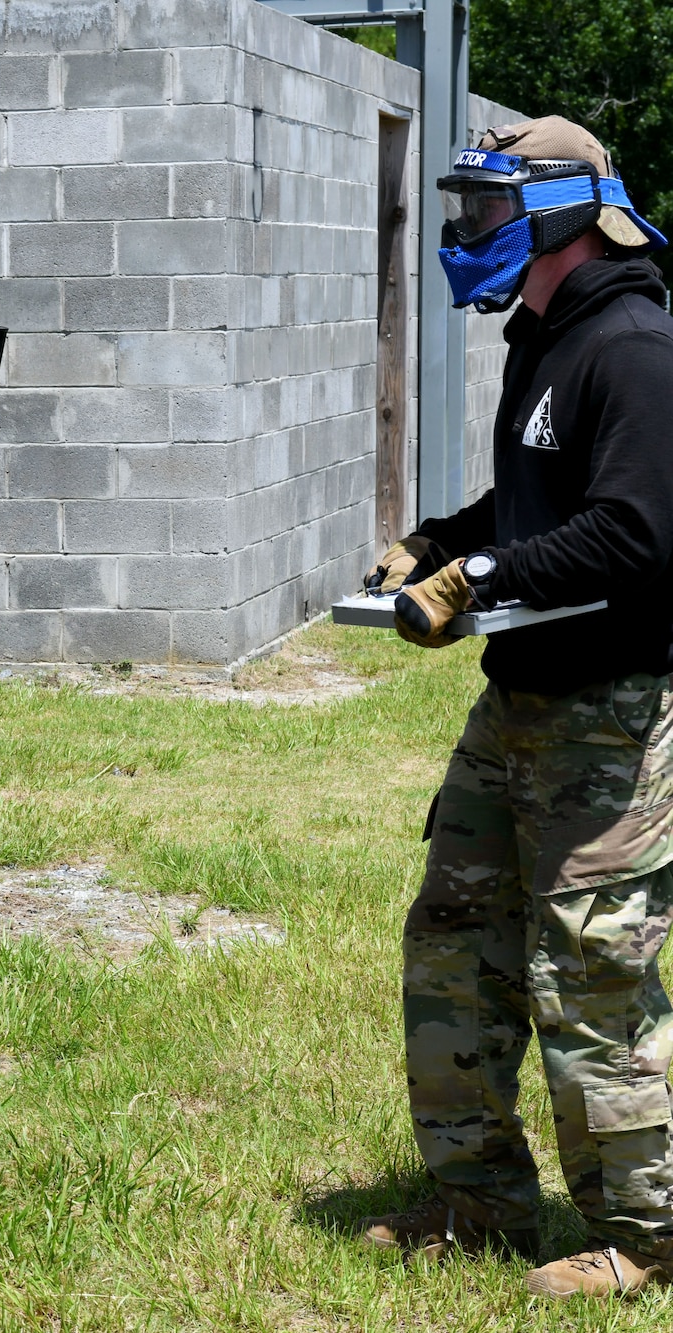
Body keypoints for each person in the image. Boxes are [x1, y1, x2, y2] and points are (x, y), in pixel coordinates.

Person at [359, 117, 673, 1300]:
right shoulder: (541, 337)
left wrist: (479, 580)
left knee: (589, 972)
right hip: (518, 706)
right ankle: (474, 1199)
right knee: (452, 939)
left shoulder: (634, 346)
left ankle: (643, 1237)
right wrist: (443, 541)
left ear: (554, 213)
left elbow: (635, 528)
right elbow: (537, 500)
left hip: (610, 710)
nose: (465, 229)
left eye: (486, 208)